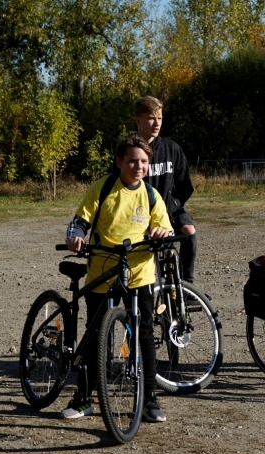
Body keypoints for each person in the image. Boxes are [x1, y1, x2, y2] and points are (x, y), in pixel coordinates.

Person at [64, 135, 172, 422]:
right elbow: (79, 222)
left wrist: (161, 232)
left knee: (144, 335)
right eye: (133, 161)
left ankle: (149, 398)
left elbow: (163, 225)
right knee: (96, 334)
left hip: (140, 273)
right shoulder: (104, 188)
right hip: (102, 271)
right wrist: (75, 237)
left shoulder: (151, 195)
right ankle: (84, 397)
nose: (139, 166)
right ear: (119, 162)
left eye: (145, 162)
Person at [131, 96, 198, 284]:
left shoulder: (172, 149)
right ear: (138, 120)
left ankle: (187, 286)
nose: (157, 123)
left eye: (160, 118)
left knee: (189, 231)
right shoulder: (130, 151)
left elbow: (186, 186)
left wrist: (173, 205)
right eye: (151, 118)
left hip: (169, 210)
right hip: (139, 213)